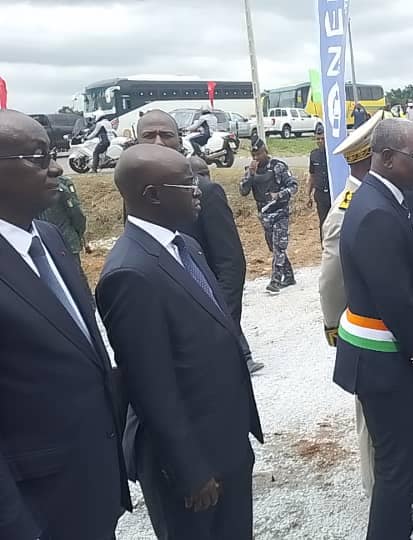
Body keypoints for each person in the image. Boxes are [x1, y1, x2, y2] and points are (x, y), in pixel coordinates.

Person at [96, 144, 263, 540]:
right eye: (188, 184)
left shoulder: (185, 246)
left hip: (226, 441)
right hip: (192, 462)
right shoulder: (129, 273)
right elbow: (151, 387)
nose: (198, 190)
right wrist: (190, 469)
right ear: (153, 195)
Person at [0, 110, 130, 540]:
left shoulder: (50, 239)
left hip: (91, 485)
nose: (55, 167)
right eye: (39, 157)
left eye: (53, 153)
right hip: (36, 507)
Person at [333, 118, 413, 539]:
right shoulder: (376, 213)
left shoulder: (387, 198)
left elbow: (396, 269)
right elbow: (395, 302)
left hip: (385, 357)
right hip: (381, 361)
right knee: (396, 468)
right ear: (386, 158)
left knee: (398, 465)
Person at [137, 110, 263, 375]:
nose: (158, 142)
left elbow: (230, 265)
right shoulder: (134, 196)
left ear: (179, 140)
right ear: (137, 142)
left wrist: (220, 325)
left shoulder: (204, 192)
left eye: (166, 135)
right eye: (149, 135)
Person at [240, 139, 298, 293]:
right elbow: (243, 191)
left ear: (265, 151)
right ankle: (289, 276)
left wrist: (279, 195)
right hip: (264, 214)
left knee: (279, 246)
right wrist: (250, 175)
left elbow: (293, 186)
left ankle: (275, 281)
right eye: (254, 155)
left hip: (280, 212)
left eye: (259, 154)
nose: (257, 158)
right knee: (274, 247)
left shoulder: (278, 167)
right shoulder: (251, 170)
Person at [38, 174, 87, 271]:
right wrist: (79, 233)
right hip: (67, 242)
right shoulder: (62, 185)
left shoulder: (28, 187)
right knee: (75, 275)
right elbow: (77, 214)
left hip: (45, 244)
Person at [307, 124, 332, 227]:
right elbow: (312, 176)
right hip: (320, 195)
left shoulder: (333, 154)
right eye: (318, 139)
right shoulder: (314, 155)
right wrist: (308, 195)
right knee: (323, 223)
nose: (320, 141)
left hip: (332, 193)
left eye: (323, 138)